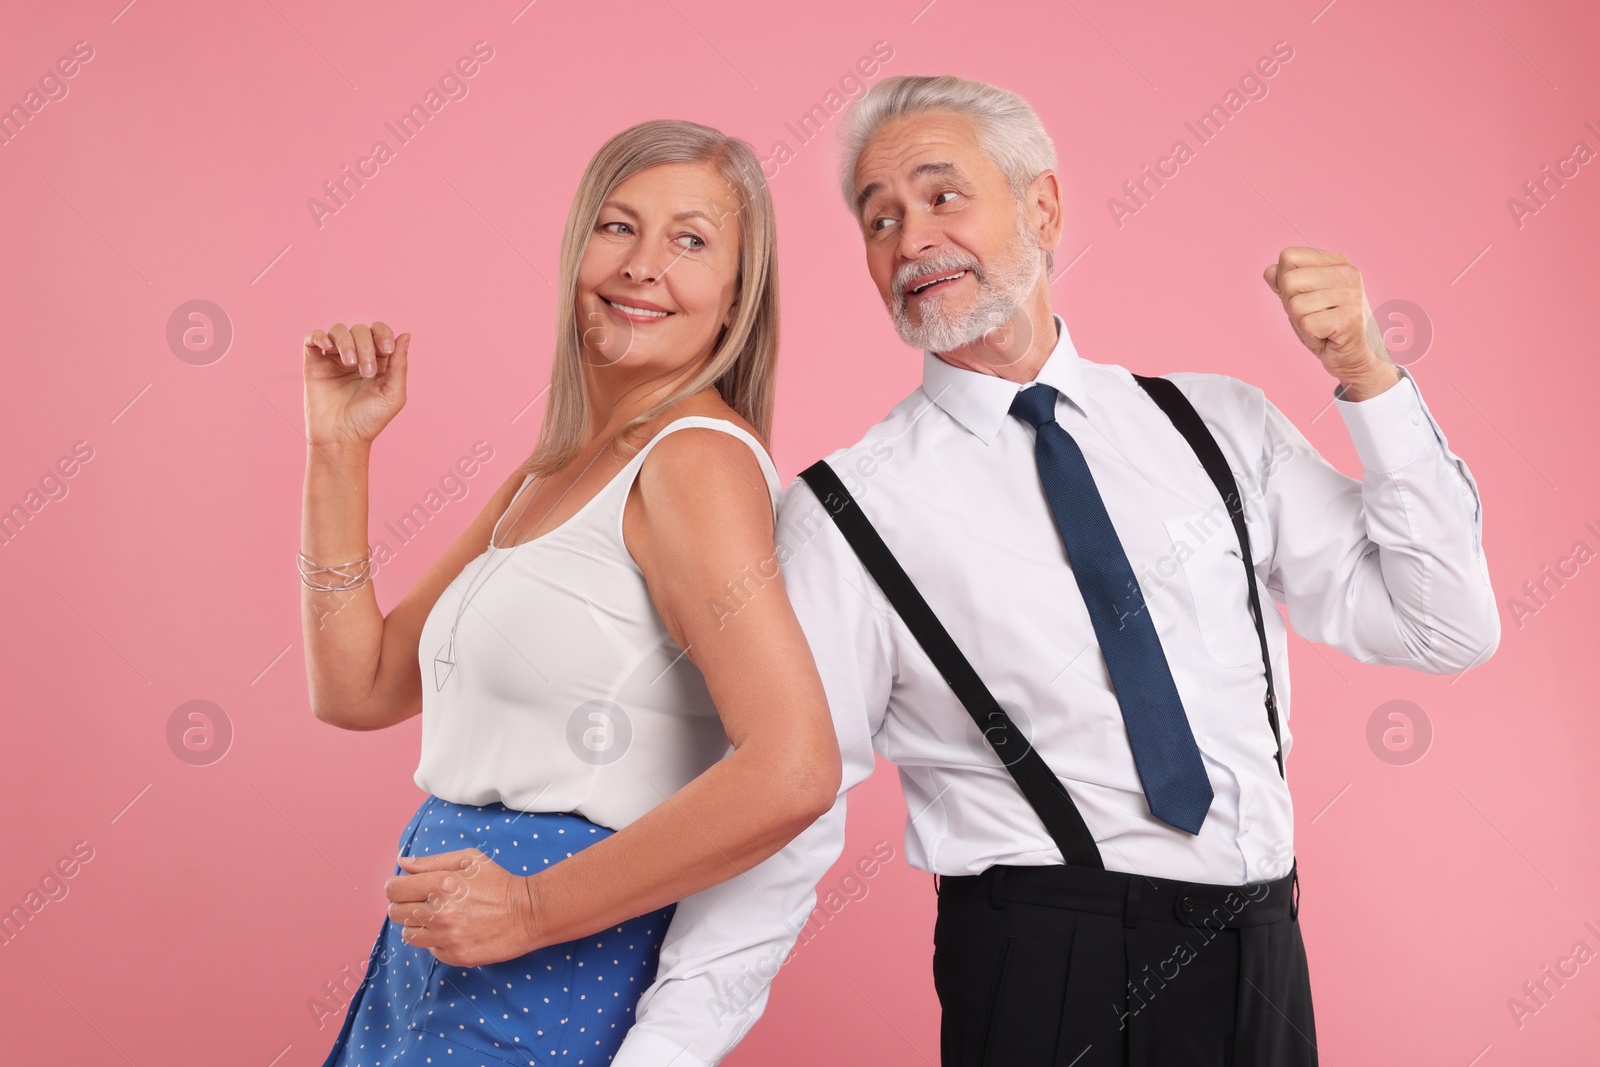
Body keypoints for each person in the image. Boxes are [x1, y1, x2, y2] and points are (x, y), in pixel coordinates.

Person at [611, 76, 1501, 1067]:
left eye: (942, 197)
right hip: (1046, 974)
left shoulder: (1216, 423)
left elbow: (1445, 625)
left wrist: (1370, 379)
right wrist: (659, 1052)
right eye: (879, 219)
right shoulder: (845, 512)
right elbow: (785, 806)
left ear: (1042, 206)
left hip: (1266, 960)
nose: (908, 240)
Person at [297, 119, 841, 1066]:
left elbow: (794, 766)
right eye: (618, 226)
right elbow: (361, 686)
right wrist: (338, 450)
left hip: (550, 962)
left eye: (691, 241)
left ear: (735, 298)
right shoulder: (552, 471)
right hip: (432, 957)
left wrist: (531, 906)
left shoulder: (696, 463)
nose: (642, 266)